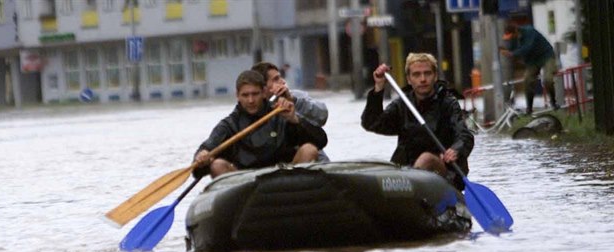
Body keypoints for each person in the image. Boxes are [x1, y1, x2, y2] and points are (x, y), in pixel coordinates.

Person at [360, 53, 474, 191]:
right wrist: (378, 88)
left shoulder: (448, 103)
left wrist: (456, 149)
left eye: (427, 73)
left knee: (426, 159)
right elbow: (372, 123)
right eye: (416, 75)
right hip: (407, 172)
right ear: (409, 79)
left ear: (435, 76)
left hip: (444, 172)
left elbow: (464, 135)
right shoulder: (402, 104)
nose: (423, 79)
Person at [193, 70, 327, 178]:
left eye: (255, 94)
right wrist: (201, 157)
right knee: (217, 165)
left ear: (263, 93)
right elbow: (198, 169)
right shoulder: (229, 125)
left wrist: (295, 120)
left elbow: (321, 140)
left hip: (285, 176)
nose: (250, 100)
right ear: (237, 96)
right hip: (246, 183)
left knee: (309, 149)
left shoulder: (280, 113)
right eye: (245, 95)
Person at [251, 61, 330, 162]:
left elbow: (322, 115)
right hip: (278, 163)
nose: (283, 81)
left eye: (280, 77)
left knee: (309, 150)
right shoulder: (253, 108)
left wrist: (293, 101)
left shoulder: (296, 96)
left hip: (312, 158)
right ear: (263, 87)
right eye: (276, 79)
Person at [500, 23, 559, 115]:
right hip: (532, 60)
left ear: (516, 31)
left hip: (546, 55)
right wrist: (507, 51)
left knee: (548, 80)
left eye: (511, 36)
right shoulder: (514, 39)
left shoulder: (529, 32)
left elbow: (527, 47)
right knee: (527, 80)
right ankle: (529, 108)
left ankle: (553, 102)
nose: (510, 38)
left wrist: (512, 54)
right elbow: (514, 49)